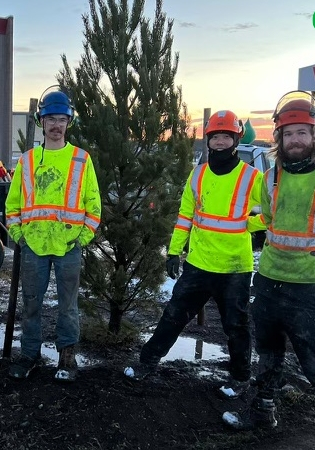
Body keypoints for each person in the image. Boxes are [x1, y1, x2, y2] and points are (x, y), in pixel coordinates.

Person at [222, 91, 315, 450]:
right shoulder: (272, 177)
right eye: (288, 134)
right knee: (268, 353)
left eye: (302, 132)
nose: (295, 140)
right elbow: (269, 221)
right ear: (279, 138)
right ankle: (262, 410)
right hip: (271, 280)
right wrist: (236, 225)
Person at [123, 110, 265, 399]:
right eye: (216, 137)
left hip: (235, 268)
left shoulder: (252, 177)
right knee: (173, 315)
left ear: (236, 140)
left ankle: (240, 378)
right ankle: (146, 363)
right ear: (208, 141)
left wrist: (247, 223)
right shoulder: (197, 174)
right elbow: (185, 214)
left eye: (227, 136)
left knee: (236, 326)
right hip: (199, 264)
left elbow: (273, 213)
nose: (221, 142)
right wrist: (174, 251)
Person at [5, 89, 101, 382]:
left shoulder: (81, 160)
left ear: (69, 122)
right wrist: (19, 235)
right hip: (33, 246)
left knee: (68, 306)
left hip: (69, 246)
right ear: (41, 122)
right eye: (51, 119)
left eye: (62, 119)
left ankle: (67, 357)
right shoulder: (28, 161)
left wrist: (82, 239)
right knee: (31, 303)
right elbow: (13, 205)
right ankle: (30, 355)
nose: (56, 125)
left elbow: (93, 205)